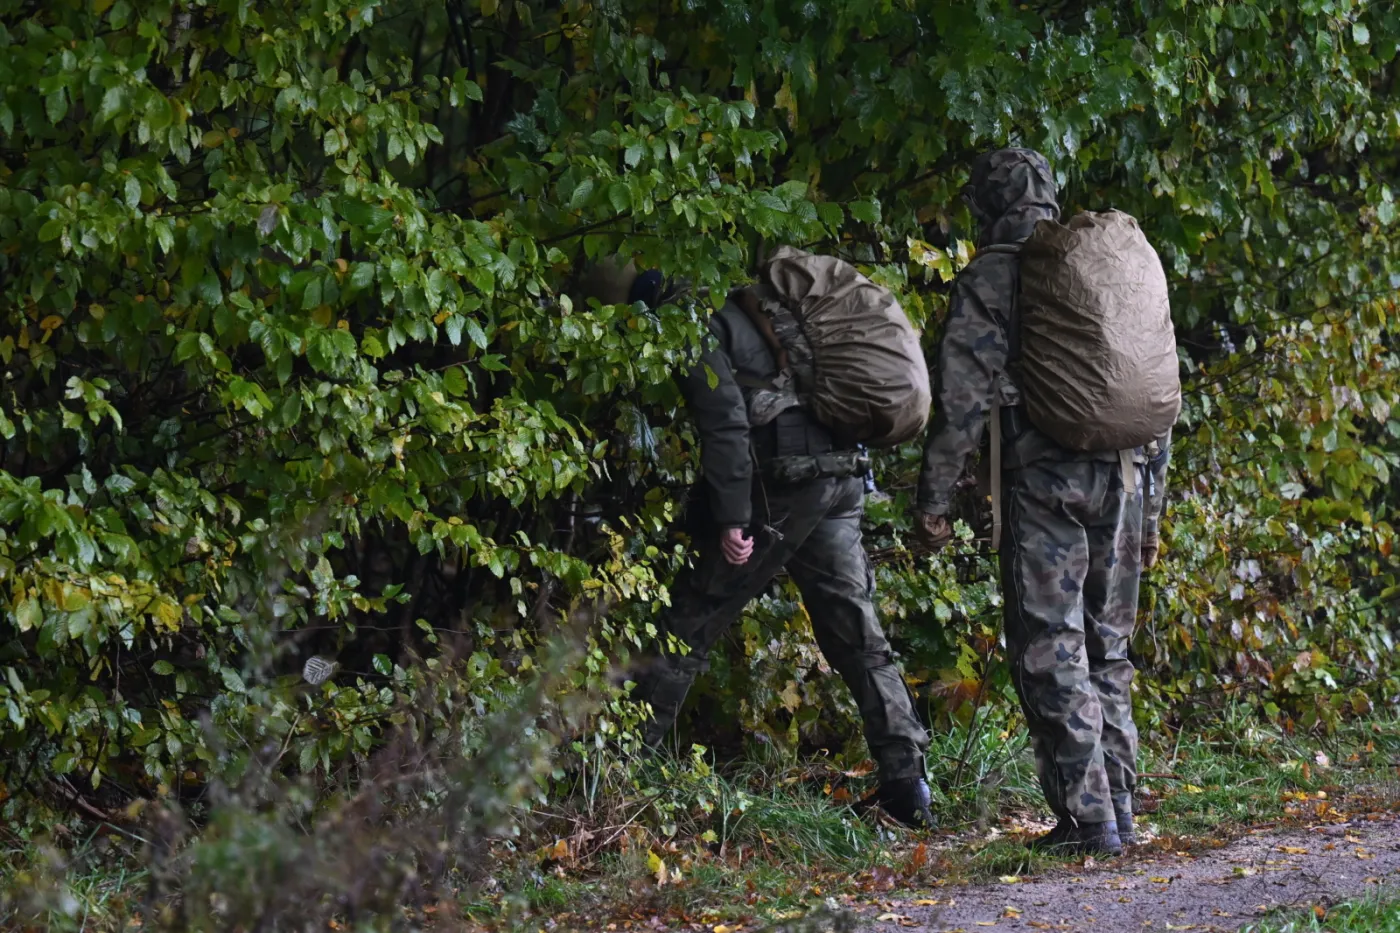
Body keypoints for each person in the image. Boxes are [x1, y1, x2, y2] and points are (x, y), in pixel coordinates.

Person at [583, 258, 936, 829]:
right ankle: (908, 785)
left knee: (689, 619)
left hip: (785, 481)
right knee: (856, 631)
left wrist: (731, 518)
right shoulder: (750, 304)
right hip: (839, 475)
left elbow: (724, 424)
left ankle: (615, 781)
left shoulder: (693, 323)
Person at [912, 149, 1172, 855]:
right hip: (1125, 473)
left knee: (1052, 646)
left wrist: (933, 501)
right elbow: (1155, 393)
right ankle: (1119, 808)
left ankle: (1090, 821)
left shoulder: (995, 275)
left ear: (986, 204)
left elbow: (962, 402)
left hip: (1045, 481)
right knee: (1108, 648)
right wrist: (1151, 510)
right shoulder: (1103, 265)